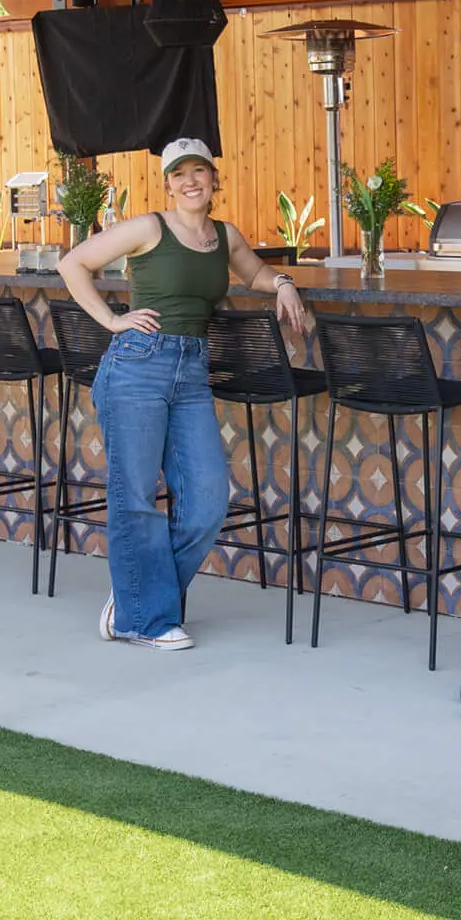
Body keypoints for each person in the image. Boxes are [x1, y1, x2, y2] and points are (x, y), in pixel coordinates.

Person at [56, 138, 308, 650]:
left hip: (191, 371)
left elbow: (254, 271)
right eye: (179, 174)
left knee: (209, 500)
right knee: (138, 498)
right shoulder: (149, 227)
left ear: (215, 180)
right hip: (137, 367)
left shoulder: (224, 235)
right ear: (167, 183)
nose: (190, 181)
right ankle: (142, 618)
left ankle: (134, 597)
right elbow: (72, 264)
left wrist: (282, 283)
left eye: (199, 172)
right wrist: (112, 319)